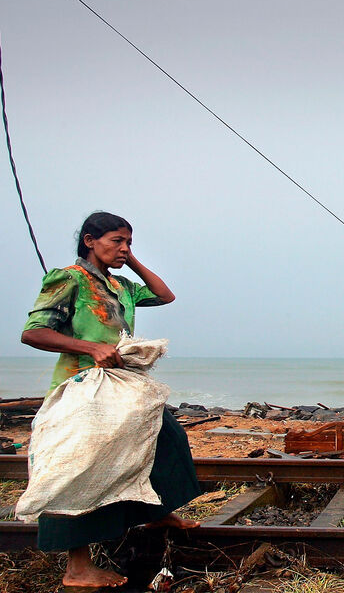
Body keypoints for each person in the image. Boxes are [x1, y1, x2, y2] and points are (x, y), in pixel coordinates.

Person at [20, 211, 202, 589]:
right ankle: (78, 568)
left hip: (121, 384)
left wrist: (130, 260)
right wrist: (90, 346)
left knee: (166, 439)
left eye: (129, 242)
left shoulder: (121, 286)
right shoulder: (69, 279)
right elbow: (34, 332)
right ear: (90, 240)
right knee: (76, 469)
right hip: (80, 384)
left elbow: (165, 295)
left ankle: (156, 512)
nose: (123, 248)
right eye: (116, 241)